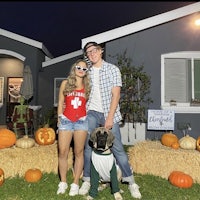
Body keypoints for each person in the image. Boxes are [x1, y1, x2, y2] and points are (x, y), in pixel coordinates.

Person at [79, 42, 142, 199]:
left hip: (108, 112)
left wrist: (109, 117)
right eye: (88, 52)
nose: (92, 54)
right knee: (88, 147)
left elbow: (116, 95)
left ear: (101, 51)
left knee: (117, 148)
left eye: (94, 50)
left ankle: (131, 181)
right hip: (91, 112)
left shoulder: (113, 69)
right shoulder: (87, 72)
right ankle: (87, 179)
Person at [56, 59, 91, 196]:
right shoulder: (65, 83)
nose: (81, 70)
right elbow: (60, 102)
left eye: (84, 69)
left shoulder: (88, 86)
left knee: (79, 152)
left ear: (86, 72)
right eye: (79, 67)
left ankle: (75, 183)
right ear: (74, 68)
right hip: (66, 120)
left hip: (81, 121)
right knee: (63, 151)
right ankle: (63, 182)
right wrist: (59, 118)